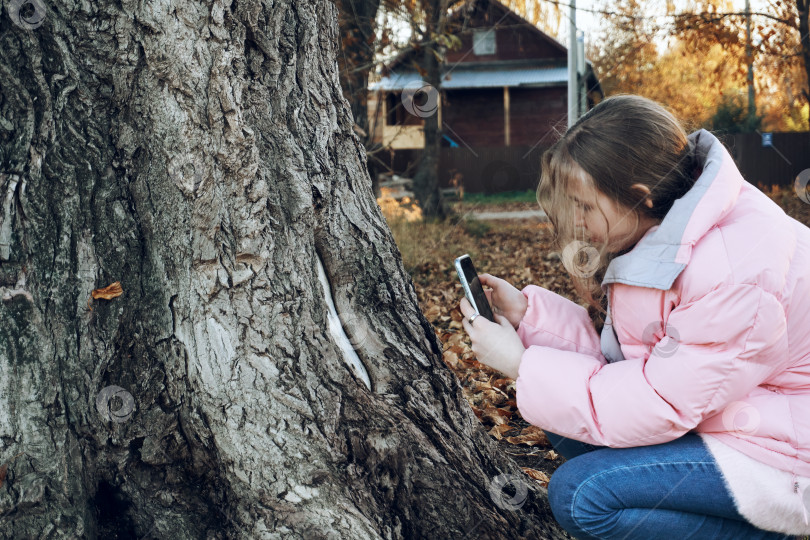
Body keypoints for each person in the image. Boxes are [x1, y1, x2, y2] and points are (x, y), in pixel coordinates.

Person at [458, 94, 810, 539]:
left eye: (585, 206)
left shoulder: (731, 269)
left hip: (784, 454)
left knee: (580, 495)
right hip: (722, 414)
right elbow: (636, 365)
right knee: (563, 421)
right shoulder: (670, 230)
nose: (579, 221)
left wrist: (520, 365)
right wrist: (529, 318)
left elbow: (660, 401)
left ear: (639, 197)